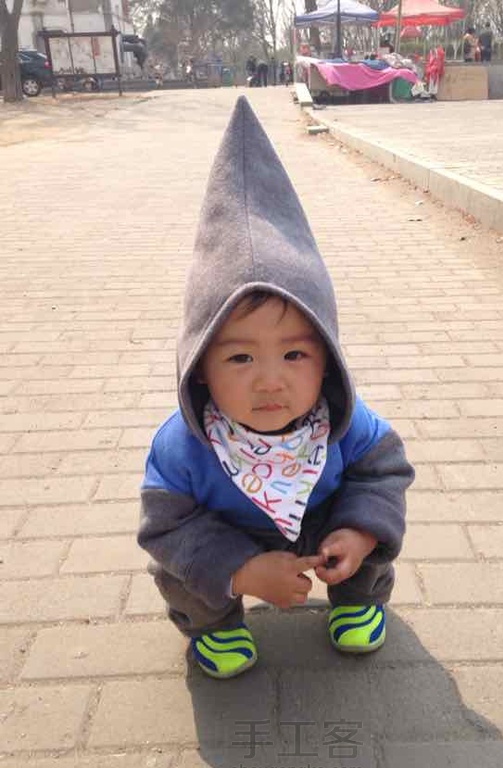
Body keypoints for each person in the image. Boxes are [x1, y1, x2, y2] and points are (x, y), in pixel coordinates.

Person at [138, 97, 415, 680]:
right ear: (200, 365)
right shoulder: (182, 446)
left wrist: (359, 532)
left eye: (294, 354)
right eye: (240, 357)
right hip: (226, 536)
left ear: (327, 359)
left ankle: (357, 600)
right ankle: (217, 626)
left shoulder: (346, 422)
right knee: (181, 572)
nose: (270, 380)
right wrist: (242, 571)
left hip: (318, 526)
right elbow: (166, 528)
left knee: (369, 528)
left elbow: (383, 474)